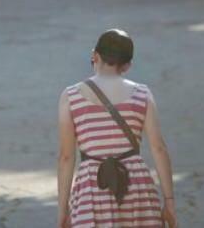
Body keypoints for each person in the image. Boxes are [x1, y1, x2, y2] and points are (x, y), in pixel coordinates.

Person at [57, 29, 178, 228]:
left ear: (95, 56)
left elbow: (66, 157)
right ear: (128, 65)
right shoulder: (142, 94)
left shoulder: (70, 97)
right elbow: (158, 149)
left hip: (91, 189)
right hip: (136, 186)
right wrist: (169, 202)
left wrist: (63, 210)